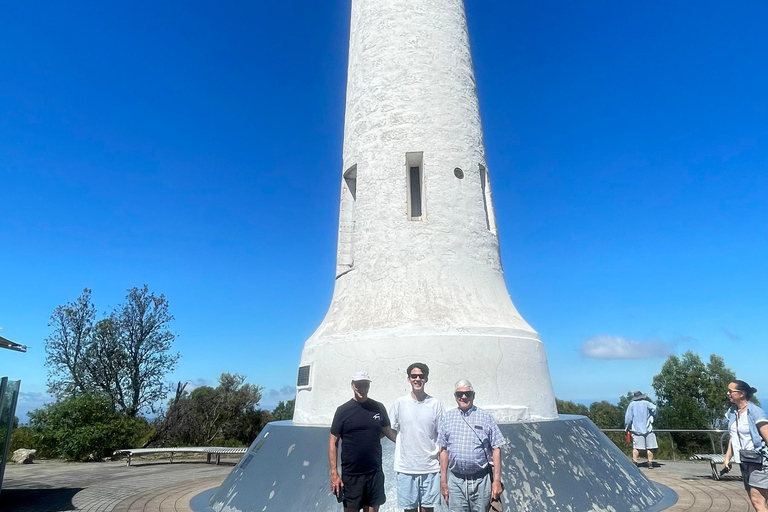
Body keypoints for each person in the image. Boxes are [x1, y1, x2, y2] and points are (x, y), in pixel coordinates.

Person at [330, 370, 393, 512]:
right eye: (358, 385)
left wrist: (411, 438)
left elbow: (388, 432)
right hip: (352, 475)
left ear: (369, 386)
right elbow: (333, 442)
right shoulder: (342, 411)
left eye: (365, 384)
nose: (362, 389)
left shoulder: (378, 407)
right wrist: (334, 474)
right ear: (352, 386)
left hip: (374, 472)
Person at [438, 379, 504, 512]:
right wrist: (443, 481)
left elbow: (496, 448)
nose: (463, 397)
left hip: (481, 481)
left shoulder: (486, 417)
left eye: (467, 393)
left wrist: (496, 481)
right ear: (455, 397)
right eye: (459, 394)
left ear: (473, 395)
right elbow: (443, 450)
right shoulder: (447, 418)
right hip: (456, 481)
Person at [389, 362, 444, 512]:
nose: (417, 379)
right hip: (406, 468)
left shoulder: (436, 404)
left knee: (428, 510)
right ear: (408, 379)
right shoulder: (399, 403)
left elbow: (441, 435)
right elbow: (390, 428)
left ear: (426, 379)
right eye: (414, 376)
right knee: (409, 510)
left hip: (430, 468)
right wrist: (403, 441)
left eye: (421, 376)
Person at [722, 380, 768, 512]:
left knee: (757, 501)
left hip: (760, 463)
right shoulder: (732, 412)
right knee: (757, 502)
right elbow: (734, 437)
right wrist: (727, 458)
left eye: (731, 391)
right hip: (745, 461)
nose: (728, 393)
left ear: (741, 394)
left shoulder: (756, 413)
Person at [624, 390, 658, 468]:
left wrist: (627, 426)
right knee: (650, 447)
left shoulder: (632, 404)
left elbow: (628, 418)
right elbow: (655, 408)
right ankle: (650, 462)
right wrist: (653, 417)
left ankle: (635, 462)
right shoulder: (646, 403)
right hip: (648, 428)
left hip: (636, 429)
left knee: (636, 447)